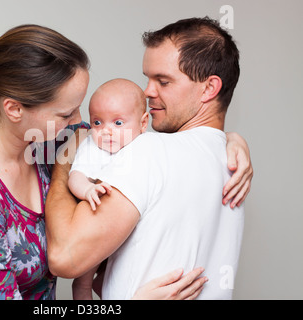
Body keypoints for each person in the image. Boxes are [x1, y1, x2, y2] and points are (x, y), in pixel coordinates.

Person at [0, 24, 252, 300]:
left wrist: (230, 141)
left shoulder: (50, 136)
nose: (82, 124)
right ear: (14, 109)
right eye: (68, 113)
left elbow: (122, 132)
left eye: (83, 111)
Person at [45, 17, 252, 300]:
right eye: (148, 78)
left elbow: (64, 257)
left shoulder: (148, 151)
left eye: (163, 81)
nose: (147, 91)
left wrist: (68, 157)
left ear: (209, 88)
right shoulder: (232, 164)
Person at [68, 78, 149, 211]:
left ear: (143, 123)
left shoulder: (147, 143)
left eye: (118, 123)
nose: (106, 131)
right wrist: (88, 189)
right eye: (97, 123)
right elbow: (76, 176)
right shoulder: (92, 146)